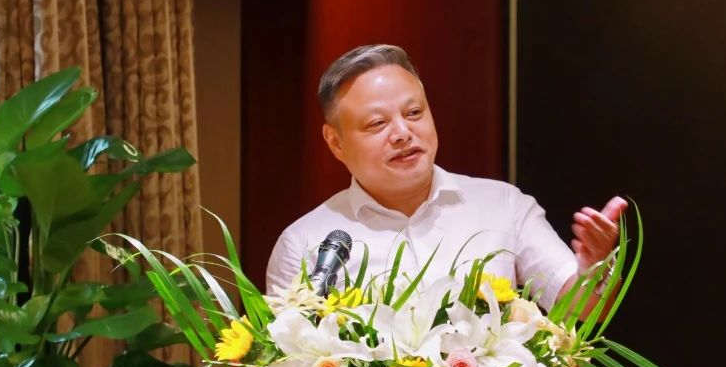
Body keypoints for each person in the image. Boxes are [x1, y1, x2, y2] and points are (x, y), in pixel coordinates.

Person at [265, 43, 628, 310]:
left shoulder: (503, 206)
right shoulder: (305, 242)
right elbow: (281, 365)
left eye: (414, 113)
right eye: (377, 123)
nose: (402, 133)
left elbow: (581, 308)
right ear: (335, 142)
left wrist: (595, 266)